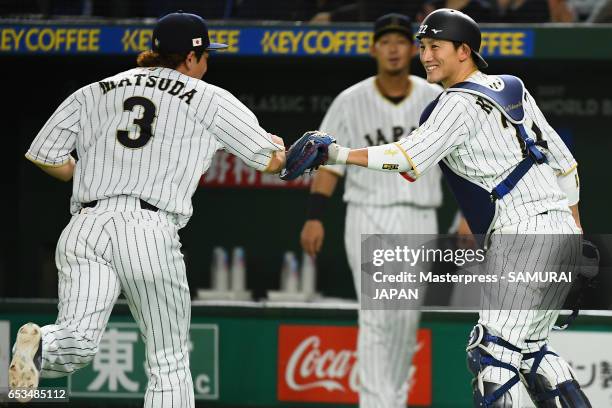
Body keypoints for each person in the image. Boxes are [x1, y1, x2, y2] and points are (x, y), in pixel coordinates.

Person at [303, 8, 591, 407]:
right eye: (423, 47)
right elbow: (565, 166)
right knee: (532, 352)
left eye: (435, 46)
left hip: (524, 233)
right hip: (557, 230)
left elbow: (406, 156)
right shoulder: (512, 86)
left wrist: (335, 152)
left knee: (492, 355)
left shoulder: (454, 103)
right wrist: (573, 236)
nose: (426, 56)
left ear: (464, 51)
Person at [9, 12, 286, 406]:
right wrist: (284, 149)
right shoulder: (209, 98)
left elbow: (43, 154)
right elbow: (272, 162)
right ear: (190, 58)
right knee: (168, 359)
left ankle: (41, 347)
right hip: (146, 228)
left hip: (85, 225)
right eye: (205, 55)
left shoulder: (95, 89)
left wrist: (86, 172)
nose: (207, 64)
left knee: (77, 339)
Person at [300, 13, 443, 408]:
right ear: (373, 48)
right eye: (386, 41)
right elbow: (327, 161)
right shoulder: (350, 99)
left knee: (405, 318)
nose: (394, 48)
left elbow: (457, 160)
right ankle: (376, 402)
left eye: (401, 41)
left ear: (413, 50)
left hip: (419, 213)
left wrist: (467, 214)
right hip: (366, 212)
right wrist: (315, 215)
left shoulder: (434, 97)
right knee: (377, 314)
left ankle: (392, 399)